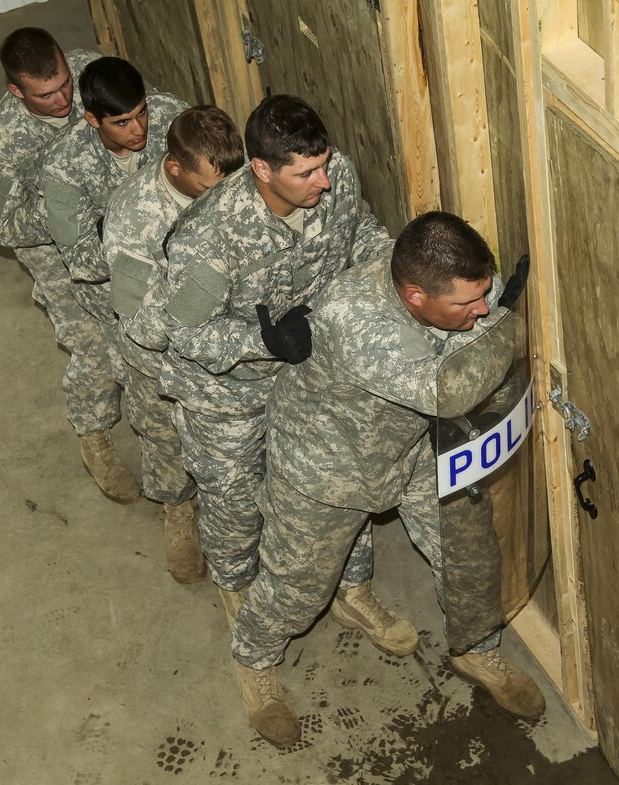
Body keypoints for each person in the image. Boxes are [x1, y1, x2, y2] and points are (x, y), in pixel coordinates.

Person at [231, 211, 542, 746]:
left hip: (406, 448)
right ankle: (254, 660)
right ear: (416, 296)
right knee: (298, 590)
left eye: (485, 295)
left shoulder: (424, 278)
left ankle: (477, 650)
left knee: (467, 550)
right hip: (324, 470)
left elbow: (457, 352)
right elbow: (447, 391)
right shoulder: (360, 323)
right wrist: (509, 327)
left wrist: (478, 319)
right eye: (467, 304)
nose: (483, 309)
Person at [160, 95, 409, 651]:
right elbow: (184, 334)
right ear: (262, 169)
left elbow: (361, 236)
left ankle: (352, 587)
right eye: (306, 173)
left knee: (340, 481)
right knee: (235, 499)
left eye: (323, 164)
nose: (323, 181)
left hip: (310, 375)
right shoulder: (209, 235)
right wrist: (261, 340)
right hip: (227, 393)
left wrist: (402, 267)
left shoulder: (335, 175)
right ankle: (240, 594)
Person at [0, 28, 138, 501]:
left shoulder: (90, 72)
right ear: (16, 92)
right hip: (53, 251)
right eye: (46, 95)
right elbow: (4, 227)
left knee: (139, 331)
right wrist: (69, 211)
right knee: (93, 347)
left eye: (66, 83)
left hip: (119, 226)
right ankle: (94, 435)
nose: (64, 98)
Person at [101, 106, 244, 583]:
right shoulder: (133, 218)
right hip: (160, 362)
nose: (223, 198)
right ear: (174, 167)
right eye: (209, 189)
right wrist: (195, 303)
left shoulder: (230, 188)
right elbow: (137, 320)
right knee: (165, 439)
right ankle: (177, 512)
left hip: (224, 353)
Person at [38, 56, 187, 502]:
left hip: (177, 275)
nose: (139, 128)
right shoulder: (63, 166)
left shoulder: (170, 118)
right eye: (122, 122)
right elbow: (82, 261)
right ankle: (95, 434)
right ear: (92, 119)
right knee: (110, 367)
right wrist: (136, 241)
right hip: (109, 291)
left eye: (141, 112)